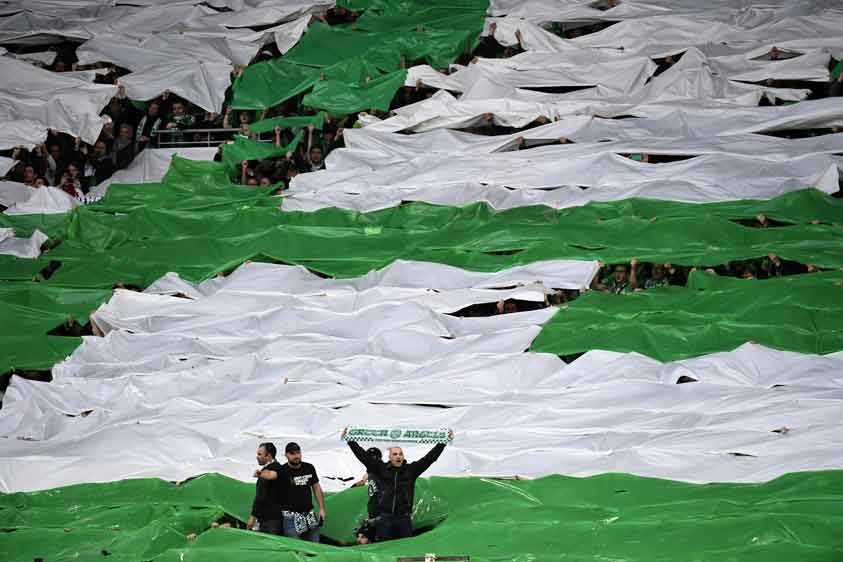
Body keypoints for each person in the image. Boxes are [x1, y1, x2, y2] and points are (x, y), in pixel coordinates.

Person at [345, 429, 453, 542]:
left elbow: (429, 458)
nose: (398, 457)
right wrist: (350, 441)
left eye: (400, 454)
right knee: (384, 548)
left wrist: (443, 442)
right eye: (395, 454)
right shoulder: (381, 470)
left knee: (405, 547)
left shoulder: (411, 470)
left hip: (404, 518)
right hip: (385, 518)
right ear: (390, 457)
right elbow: (364, 457)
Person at [280, 442, 326, 542]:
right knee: (296, 548)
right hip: (290, 516)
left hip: (309, 513)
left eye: (298, 453)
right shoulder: (282, 471)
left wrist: (322, 508)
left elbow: (316, 487)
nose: (296, 456)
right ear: (286, 455)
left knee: (314, 546)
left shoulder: (309, 468)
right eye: (292, 454)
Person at [247, 442, 284, 535]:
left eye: (260, 454)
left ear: (268, 455)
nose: (257, 457)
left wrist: (253, 517)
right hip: (270, 519)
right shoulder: (273, 468)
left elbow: (261, 496)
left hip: (271, 520)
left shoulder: (275, 468)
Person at [352, 447, 384, 520]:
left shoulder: (383, 470)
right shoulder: (370, 474)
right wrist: (357, 485)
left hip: (382, 514)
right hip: (373, 514)